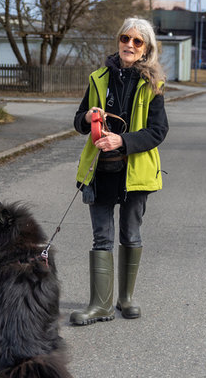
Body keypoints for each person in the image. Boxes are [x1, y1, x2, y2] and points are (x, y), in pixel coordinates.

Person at [70, 17, 169, 325]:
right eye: (125, 38)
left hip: (135, 172)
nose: (129, 45)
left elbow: (158, 131)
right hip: (99, 171)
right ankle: (100, 305)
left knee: (130, 234)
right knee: (101, 237)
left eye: (137, 41)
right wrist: (87, 117)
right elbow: (77, 123)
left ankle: (125, 299)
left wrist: (122, 140)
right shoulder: (99, 77)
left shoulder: (153, 85)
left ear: (146, 49)